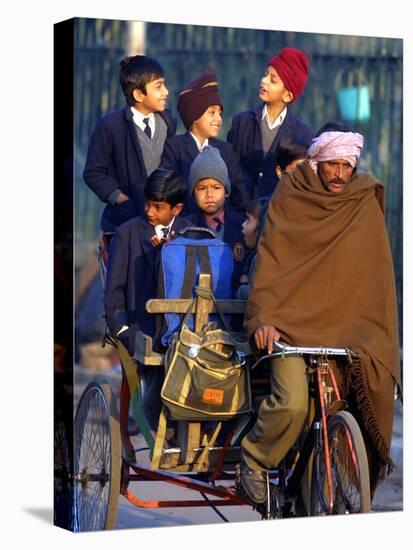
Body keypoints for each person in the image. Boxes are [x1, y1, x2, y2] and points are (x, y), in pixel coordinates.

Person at [238, 121, 401, 508]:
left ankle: (310, 492)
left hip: (342, 329)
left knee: (334, 411)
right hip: (288, 327)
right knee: (293, 403)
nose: (341, 175)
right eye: (333, 166)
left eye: (348, 166)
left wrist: (371, 331)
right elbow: (273, 263)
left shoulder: (362, 199)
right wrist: (265, 318)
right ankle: (253, 460)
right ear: (318, 161)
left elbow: (372, 274)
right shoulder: (290, 195)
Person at [104, 168, 191, 429]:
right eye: (147, 204)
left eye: (158, 207)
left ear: (176, 209)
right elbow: (114, 293)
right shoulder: (127, 234)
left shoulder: (190, 232)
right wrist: (124, 332)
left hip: (182, 332)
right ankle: (159, 429)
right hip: (142, 330)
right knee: (152, 398)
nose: (150, 212)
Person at [83, 55, 177, 234]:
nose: (166, 92)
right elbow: (93, 172)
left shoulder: (168, 123)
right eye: (158, 86)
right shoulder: (110, 126)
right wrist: (120, 199)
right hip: (125, 223)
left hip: (163, 223)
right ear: (138, 94)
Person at [227, 47, 315, 200]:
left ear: (287, 96)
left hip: (279, 213)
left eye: (273, 80)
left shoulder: (303, 134)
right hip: (241, 211)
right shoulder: (241, 122)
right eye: (265, 74)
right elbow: (231, 167)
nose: (264, 81)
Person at [161, 71, 249, 214]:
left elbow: (239, 194)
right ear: (194, 116)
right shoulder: (174, 148)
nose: (219, 119)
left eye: (220, 113)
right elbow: (169, 191)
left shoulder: (225, 150)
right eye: (212, 113)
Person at [186, 146, 246, 294]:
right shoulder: (185, 228)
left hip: (235, 309)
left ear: (226, 191)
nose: (209, 194)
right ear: (193, 192)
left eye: (216, 187)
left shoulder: (243, 227)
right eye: (201, 188)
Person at [236, 197, 269, 300]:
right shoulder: (251, 257)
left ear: (262, 226)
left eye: (248, 220)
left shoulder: (263, 260)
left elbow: (263, 295)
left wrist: (241, 292)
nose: (243, 225)